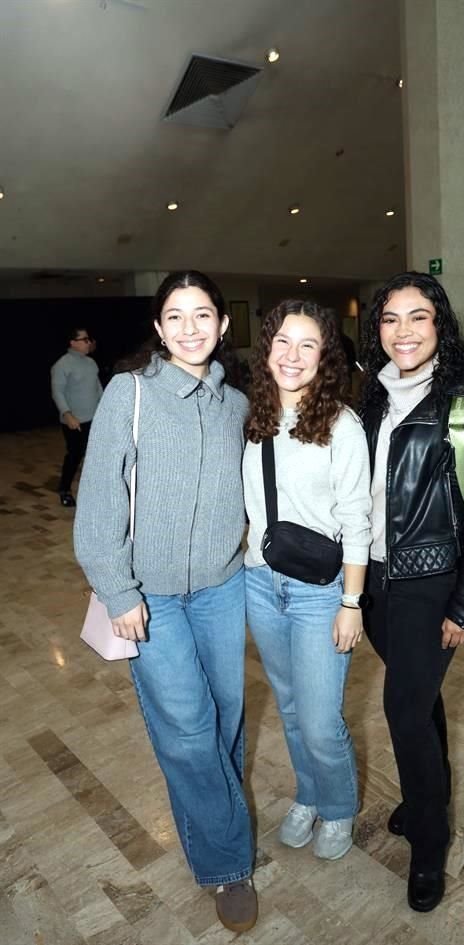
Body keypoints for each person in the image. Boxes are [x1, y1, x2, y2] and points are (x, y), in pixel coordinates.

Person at [74, 271, 257, 934]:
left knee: (226, 718)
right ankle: (228, 862)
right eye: (175, 316)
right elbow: (97, 500)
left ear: (222, 323)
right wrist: (119, 589)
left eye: (202, 314)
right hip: (150, 598)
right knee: (187, 728)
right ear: (157, 327)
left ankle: (219, 822)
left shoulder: (234, 402)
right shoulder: (130, 393)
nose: (189, 328)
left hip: (221, 586)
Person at [359, 271, 464, 913]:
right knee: (417, 700)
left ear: (440, 324)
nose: (404, 331)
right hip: (374, 580)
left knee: (402, 712)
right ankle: (428, 796)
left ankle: (430, 842)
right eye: (390, 319)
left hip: (433, 583)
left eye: (418, 317)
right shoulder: (370, 393)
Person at [243, 300, 371, 861]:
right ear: (266, 348)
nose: (292, 356)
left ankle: (339, 807)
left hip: (321, 592)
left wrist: (352, 601)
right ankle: (309, 793)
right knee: (291, 707)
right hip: (260, 582)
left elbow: (357, 519)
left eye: (308, 345)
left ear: (326, 357)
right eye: (282, 342)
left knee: (321, 719)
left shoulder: (342, 424)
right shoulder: (252, 418)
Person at [51, 327, 102, 507]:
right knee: (74, 455)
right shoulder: (62, 365)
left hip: (93, 418)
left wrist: (104, 411)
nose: (89, 342)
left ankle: (92, 490)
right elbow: (57, 392)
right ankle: (64, 489)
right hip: (75, 421)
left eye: (89, 339)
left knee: (95, 455)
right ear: (73, 343)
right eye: (84, 339)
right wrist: (68, 415)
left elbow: (98, 389)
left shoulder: (90, 363)